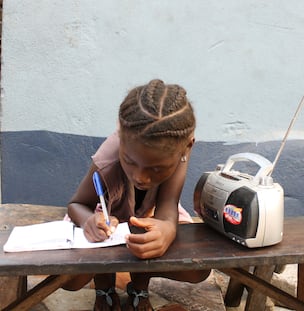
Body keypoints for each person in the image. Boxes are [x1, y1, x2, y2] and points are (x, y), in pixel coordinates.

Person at [63, 79, 211, 311]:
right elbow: (77, 204)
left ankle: (139, 287)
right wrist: (87, 221)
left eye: (156, 169)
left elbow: (167, 204)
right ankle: (104, 288)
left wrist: (167, 229)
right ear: (121, 136)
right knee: (70, 279)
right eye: (130, 162)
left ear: (187, 147)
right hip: (106, 216)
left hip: (147, 214)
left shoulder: (176, 146)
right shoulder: (107, 161)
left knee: (198, 268)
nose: (140, 177)